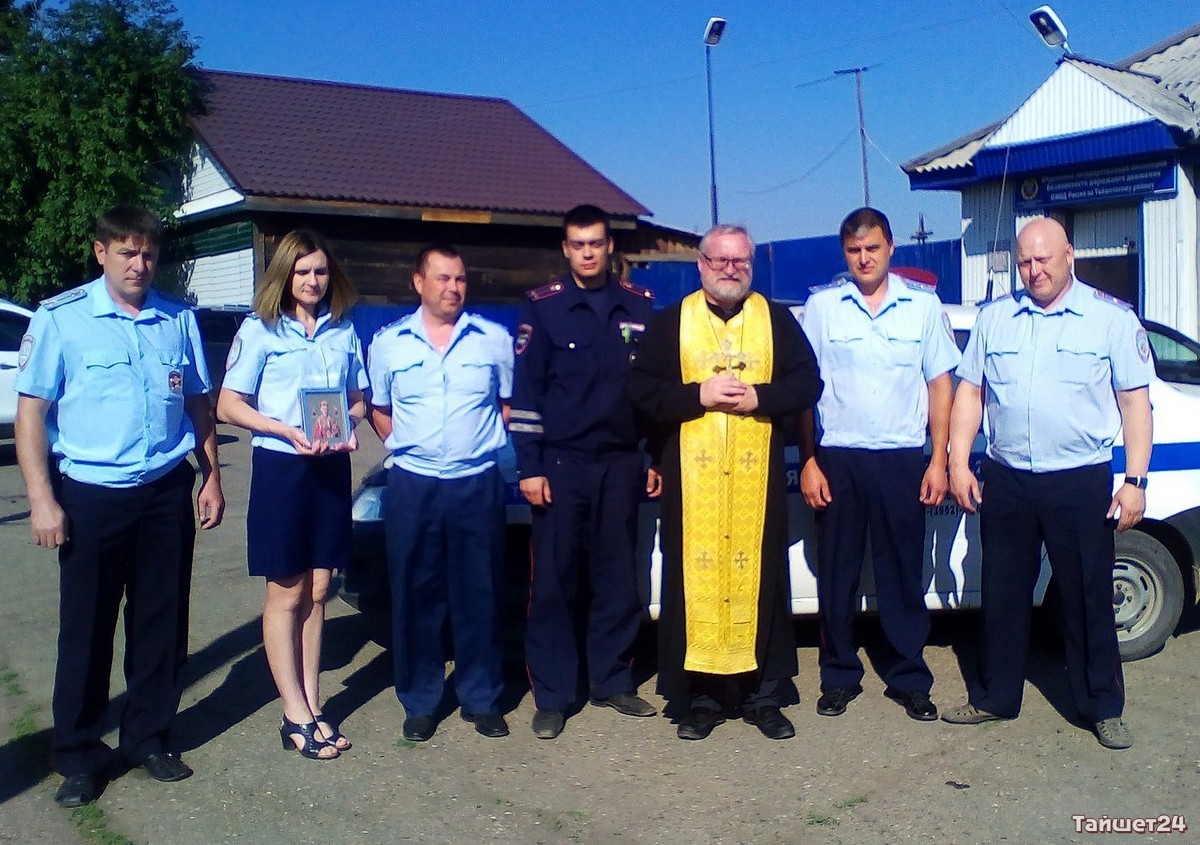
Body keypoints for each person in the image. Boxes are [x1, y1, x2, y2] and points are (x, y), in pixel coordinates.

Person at [15, 205, 224, 807]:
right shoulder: (62, 319)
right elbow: (32, 413)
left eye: (148, 253)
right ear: (100, 252)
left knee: (162, 622)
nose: (139, 264)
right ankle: (79, 752)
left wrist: (209, 477)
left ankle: (148, 736)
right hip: (91, 495)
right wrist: (41, 500)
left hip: (164, 491)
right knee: (87, 629)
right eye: (127, 252)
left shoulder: (176, 319)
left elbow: (198, 406)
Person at [942, 217, 1153, 750]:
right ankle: (995, 697)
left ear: (1069, 256)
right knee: (1003, 594)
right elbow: (971, 393)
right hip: (1008, 479)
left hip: (1079, 482)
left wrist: (1134, 480)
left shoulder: (1109, 320)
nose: (1034, 271)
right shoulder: (996, 319)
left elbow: (1135, 403)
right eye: (1025, 261)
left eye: (1044, 259)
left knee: (1086, 597)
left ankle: (1102, 706)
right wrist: (959, 462)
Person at [628, 224, 823, 741]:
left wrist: (760, 397)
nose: (731, 270)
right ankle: (703, 699)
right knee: (695, 587)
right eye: (721, 261)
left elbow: (808, 383)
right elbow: (641, 393)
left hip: (756, 489)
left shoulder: (776, 319)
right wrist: (699, 395)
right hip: (693, 492)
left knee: (761, 583)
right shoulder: (671, 322)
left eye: (741, 262)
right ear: (701, 264)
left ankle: (763, 696)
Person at [799, 207, 960, 721]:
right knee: (838, 573)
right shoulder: (823, 308)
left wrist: (939, 459)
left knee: (901, 574)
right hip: (839, 458)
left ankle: (908, 676)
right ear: (844, 254)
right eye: (853, 250)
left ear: (891, 248)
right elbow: (805, 392)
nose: (864, 258)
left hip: (900, 459)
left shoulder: (922, 307)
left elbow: (941, 385)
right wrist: (808, 460)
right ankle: (839, 675)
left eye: (872, 248)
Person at [510, 204, 661, 740]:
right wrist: (529, 465)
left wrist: (652, 458)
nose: (589, 252)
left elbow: (650, 393)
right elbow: (526, 395)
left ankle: (614, 680)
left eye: (597, 243)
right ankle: (554, 695)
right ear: (566, 249)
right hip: (562, 465)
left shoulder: (639, 306)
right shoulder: (544, 309)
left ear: (610, 246)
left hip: (620, 463)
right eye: (579, 245)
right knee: (554, 581)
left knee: (617, 577)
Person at [217, 229, 367, 761]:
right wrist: (283, 429)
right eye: (302, 271)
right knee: (286, 591)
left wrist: (349, 426)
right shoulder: (259, 330)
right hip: (282, 470)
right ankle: (293, 713)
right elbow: (228, 404)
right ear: (284, 275)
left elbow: (357, 399)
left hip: (330, 470)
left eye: (320, 271)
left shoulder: (343, 331)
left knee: (320, 589)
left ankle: (313, 703)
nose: (312, 280)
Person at [368, 244, 514, 742]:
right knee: (415, 593)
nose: (453, 288)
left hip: (476, 482)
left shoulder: (493, 340)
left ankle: (481, 697)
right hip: (414, 483)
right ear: (418, 282)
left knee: (481, 592)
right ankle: (420, 699)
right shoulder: (389, 344)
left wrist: (472, 446)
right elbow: (379, 410)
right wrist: (414, 448)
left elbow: (506, 405)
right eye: (442, 278)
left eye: (460, 279)